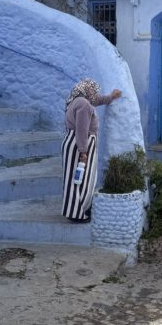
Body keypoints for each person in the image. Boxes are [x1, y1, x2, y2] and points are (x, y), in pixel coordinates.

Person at [62, 78, 122, 223]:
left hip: (73, 142)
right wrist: (83, 152)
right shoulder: (84, 105)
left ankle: (77, 209)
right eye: (94, 90)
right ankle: (76, 213)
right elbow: (82, 129)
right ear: (88, 90)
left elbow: (96, 100)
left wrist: (110, 97)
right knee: (79, 181)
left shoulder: (78, 100)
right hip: (80, 144)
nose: (95, 93)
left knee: (75, 179)